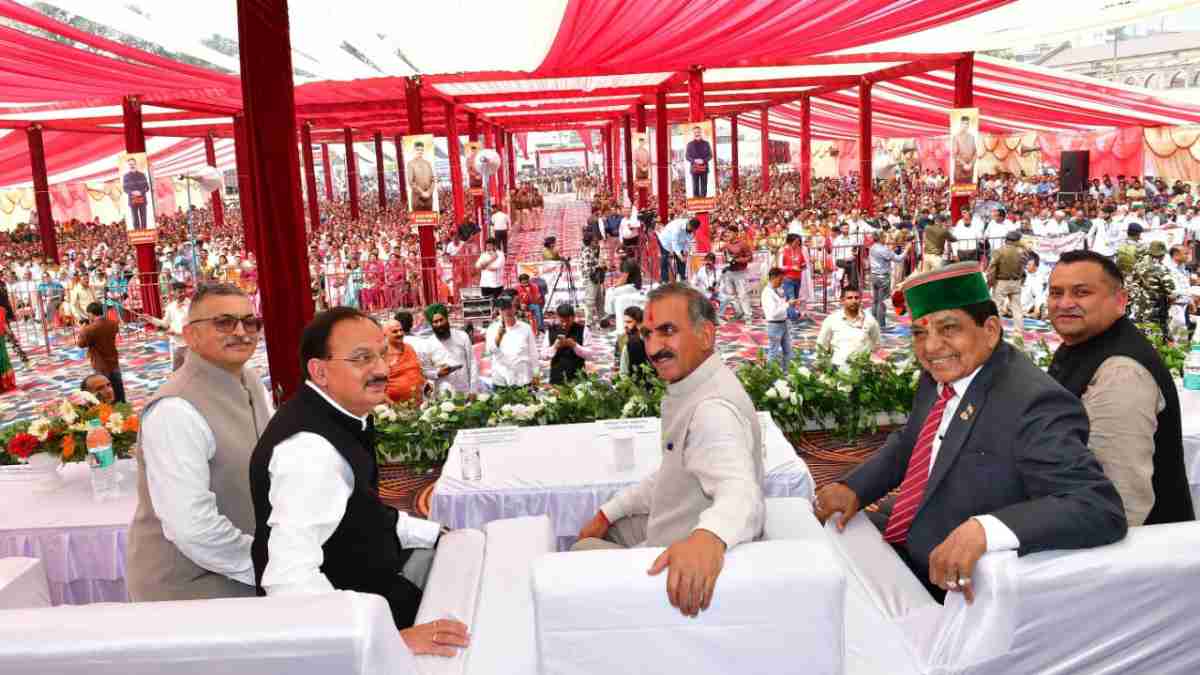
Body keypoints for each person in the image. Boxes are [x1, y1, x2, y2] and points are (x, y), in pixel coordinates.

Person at [815, 263, 1127, 603]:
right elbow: (913, 441)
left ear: (990, 330)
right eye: (919, 333)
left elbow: (1096, 506)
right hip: (910, 534)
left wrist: (985, 529)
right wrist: (854, 487)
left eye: (949, 328)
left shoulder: (1034, 403)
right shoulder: (943, 373)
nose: (931, 347)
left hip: (956, 583)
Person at [250, 307, 469, 656]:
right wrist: (386, 641)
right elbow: (288, 579)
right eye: (362, 358)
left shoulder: (343, 418)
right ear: (320, 371)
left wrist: (435, 533)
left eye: (382, 354)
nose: (382, 369)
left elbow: (364, 511)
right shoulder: (310, 451)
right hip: (353, 627)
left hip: (374, 590)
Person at [573, 283, 764, 618]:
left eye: (668, 331)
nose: (653, 348)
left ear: (706, 335)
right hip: (670, 523)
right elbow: (672, 472)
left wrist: (708, 538)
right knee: (604, 525)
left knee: (578, 554)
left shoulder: (711, 411)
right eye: (648, 334)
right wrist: (609, 512)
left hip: (676, 544)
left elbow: (741, 492)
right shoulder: (695, 384)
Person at [127, 283, 272, 602]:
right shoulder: (175, 409)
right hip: (191, 587)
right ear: (190, 335)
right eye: (224, 323)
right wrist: (271, 564)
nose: (241, 332)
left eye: (250, 322)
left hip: (249, 567)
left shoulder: (250, 380)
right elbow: (192, 528)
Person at [1047, 251, 1194, 526]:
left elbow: (1120, 500)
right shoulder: (1083, 344)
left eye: (1081, 292)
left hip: (1129, 543)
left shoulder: (1122, 372)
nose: (1064, 303)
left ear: (1120, 300)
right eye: (1056, 293)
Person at [816, 287, 880, 367]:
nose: (854, 301)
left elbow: (876, 343)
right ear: (842, 301)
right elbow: (821, 345)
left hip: (861, 368)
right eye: (849, 298)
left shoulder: (869, 320)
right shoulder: (832, 320)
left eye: (856, 298)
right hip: (837, 368)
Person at [421, 303, 477, 394]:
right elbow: (425, 371)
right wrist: (438, 373)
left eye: (441, 320)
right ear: (431, 324)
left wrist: (473, 390)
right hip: (442, 394)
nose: (439, 324)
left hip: (464, 390)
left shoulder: (462, 336)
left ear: (446, 319)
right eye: (435, 322)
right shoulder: (428, 344)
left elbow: (472, 363)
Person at [485, 296, 540, 390]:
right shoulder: (492, 329)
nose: (507, 311)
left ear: (515, 308)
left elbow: (533, 353)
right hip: (501, 381)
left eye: (510, 307)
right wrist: (498, 338)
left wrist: (536, 374)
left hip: (523, 380)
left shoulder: (526, 328)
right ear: (499, 311)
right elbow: (489, 353)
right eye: (503, 308)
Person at [76, 301, 125, 403]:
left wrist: (82, 329)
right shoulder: (113, 323)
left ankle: (108, 408)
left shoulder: (90, 329)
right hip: (113, 359)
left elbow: (80, 344)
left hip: (100, 362)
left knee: (103, 389)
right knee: (118, 386)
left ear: (91, 313)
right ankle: (122, 405)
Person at [1128, 240, 1176, 336]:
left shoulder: (1138, 264)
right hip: (1154, 306)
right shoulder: (1161, 268)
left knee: (1138, 329)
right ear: (1161, 255)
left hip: (1138, 304)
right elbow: (1170, 290)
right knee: (1152, 332)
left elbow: (1132, 282)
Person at [144, 281, 191, 370]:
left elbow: (193, 325)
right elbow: (165, 324)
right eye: (180, 292)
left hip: (189, 344)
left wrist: (178, 332)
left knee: (190, 370)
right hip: (175, 344)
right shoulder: (170, 307)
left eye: (184, 291)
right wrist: (150, 319)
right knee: (175, 370)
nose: (183, 294)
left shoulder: (191, 305)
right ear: (173, 292)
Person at [761, 268, 802, 368]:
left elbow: (780, 306)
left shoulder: (776, 290)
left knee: (788, 350)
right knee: (773, 353)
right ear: (773, 278)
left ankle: (786, 371)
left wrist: (788, 305)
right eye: (780, 279)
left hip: (783, 323)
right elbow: (774, 313)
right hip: (774, 325)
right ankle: (770, 373)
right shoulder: (767, 293)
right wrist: (787, 304)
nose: (781, 282)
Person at [987, 230, 1027, 330]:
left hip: (1002, 282)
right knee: (1017, 309)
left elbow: (992, 267)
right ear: (1016, 241)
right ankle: (1019, 331)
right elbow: (1023, 268)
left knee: (997, 308)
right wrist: (1021, 280)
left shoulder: (999, 251)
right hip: (1016, 282)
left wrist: (990, 282)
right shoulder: (1022, 252)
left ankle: (997, 330)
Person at [868, 235, 910, 330]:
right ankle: (881, 325)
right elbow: (898, 259)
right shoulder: (884, 250)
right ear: (881, 239)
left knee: (875, 301)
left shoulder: (872, 247)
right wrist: (907, 249)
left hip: (874, 275)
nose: (888, 240)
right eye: (886, 238)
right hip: (882, 277)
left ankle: (874, 323)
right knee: (882, 302)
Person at [545, 303, 593, 384]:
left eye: (568, 321)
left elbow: (590, 355)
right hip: (557, 377)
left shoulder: (583, 330)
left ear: (573, 317)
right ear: (557, 317)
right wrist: (555, 347)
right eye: (562, 321)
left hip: (578, 377)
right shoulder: (551, 330)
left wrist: (575, 345)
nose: (564, 324)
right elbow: (543, 356)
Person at [384, 311, 426, 404]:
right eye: (395, 331)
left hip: (418, 404)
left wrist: (425, 383)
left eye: (401, 330)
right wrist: (394, 407)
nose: (400, 333)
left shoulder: (409, 347)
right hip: (396, 408)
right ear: (385, 334)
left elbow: (417, 370)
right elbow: (377, 388)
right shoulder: (382, 355)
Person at [720, 227, 754, 321]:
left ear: (735, 233)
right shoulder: (726, 245)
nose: (728, 234)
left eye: (730, 232)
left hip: (740, 272)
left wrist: (737, 260)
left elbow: (750, 258)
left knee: (743, 294)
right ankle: (739, 312)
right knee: (731, 295)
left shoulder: (743, 244)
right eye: (727, 233)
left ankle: (748, 314)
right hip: (729, 271)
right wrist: (726, 259)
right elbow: (724, 257)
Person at [778, 234, 809, 322]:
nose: (798, 244)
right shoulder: (783, 251)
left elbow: (803, 262)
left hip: (798, 278)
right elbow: (780, 266)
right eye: (796, 242)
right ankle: (793, 318)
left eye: (799, 242)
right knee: (791, 299)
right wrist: (792, 268)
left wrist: (803, 266)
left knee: (794, 299)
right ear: (790, 242)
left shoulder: (799, 250)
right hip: (788, 278)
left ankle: (790, 316)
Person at [616, 305, 651, 382]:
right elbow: (622, 372)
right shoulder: (623, 340)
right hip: (632, 382)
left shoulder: (651, 339)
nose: (625, 325)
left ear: (639, 323)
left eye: (629, 322)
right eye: (625, 322)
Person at [658, 217, 698, 282]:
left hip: (679, 243)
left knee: (682, 261)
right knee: (665, 261)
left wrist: (685, 252)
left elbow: (688, 241)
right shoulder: (677, 227)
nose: (692, 230)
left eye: (693, 230)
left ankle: (683, 280)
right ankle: (665, 281)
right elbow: (674, 243)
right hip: (666, 241)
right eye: (691, 228)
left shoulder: (691, 230)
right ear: (689, 224)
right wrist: (680, 256)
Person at [406, 141, 435, 211]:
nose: (420, 151)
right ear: (414, 150)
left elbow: (433, 179)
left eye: (422, 150)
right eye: (418, 149)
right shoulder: (411, 164)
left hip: (429, 198)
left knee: (430, 216)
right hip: (417, 198)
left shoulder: (428, 163)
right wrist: (422, 193)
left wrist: (429, 192)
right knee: (418, 216)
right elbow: (411, 182)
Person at [123, 157, 151, 230]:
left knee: (143, 219)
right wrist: (132, 192)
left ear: (136, 164)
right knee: (135, 219)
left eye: (133, 164)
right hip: (132, 200)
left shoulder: (142, 175)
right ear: (128, 166)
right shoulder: (125, 176)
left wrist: (140, 192)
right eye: (130, 164)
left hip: (142, 200)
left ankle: (145, 233)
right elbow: (125, 189)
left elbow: (147, 187)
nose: (132, 166)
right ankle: (137, 234)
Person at [685, 125, 713, 198]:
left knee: (704, 187)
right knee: (695, 187)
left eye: (698, 132)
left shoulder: (706, 143)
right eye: (695, 132)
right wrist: (694, 160)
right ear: (693, 133)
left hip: (704, 168)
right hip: (694, 168)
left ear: (701, 133)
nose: (697, 134)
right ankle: (696, 202)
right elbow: (687, 156)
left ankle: (704, 201)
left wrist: (703, 160)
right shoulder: (689, 144)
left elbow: (710, 155)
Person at [951, 116, 976, 186]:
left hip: (970, 170)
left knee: (969, 190)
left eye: (967, 124)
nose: (966, 125)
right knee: (958, 189)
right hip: (959, 170)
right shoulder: (956, 137)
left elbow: (975, 153)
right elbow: (954, 155)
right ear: (961, 124)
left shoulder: (972, 137)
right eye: (964, 123)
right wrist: (964, 164)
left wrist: (971, 163)